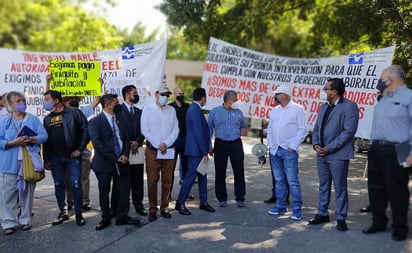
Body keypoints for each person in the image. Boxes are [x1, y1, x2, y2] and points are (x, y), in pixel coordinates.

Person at [362, 65, 412, 241]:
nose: (380, 81)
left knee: (397, 190)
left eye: (382, 78)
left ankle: (400, 228)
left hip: (398, 149)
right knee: (376, 189)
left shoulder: (409, 97)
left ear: (391, 79)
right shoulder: (383, 99)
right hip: (376, 148)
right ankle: (378, 222)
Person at [309, 78, 359, 232]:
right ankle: (322, 213)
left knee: (340, 187)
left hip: (338, 154)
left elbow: (348, 132)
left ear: (335, 91)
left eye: (327, 89)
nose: (325, 91)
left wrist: (329, 148)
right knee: (323, 185)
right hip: (321, 154)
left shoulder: (350, 107)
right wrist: (316, 144)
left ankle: (341, 217)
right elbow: (317, 127)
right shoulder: (324, 106)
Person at [46, 74, 102, 211]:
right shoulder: (57, 113)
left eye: (76, 99)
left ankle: (84, 201)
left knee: (83, 177)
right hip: (66, 151)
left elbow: (98, 100)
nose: (74, 101)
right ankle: (70, 201)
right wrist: (47, 82)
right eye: (71, 99)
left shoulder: (82, 111)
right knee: (67, 178)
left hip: (82, 150)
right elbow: (49, 99)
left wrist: (99, 85)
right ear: (63, 101)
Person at [89, 94, 140, 230]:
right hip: (104, 163)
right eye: (116, 102)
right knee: (104, 191)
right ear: (107, 105)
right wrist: (115, 158)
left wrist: (124, 154)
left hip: (122, 161)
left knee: (123, 190)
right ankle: (105, 217)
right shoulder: (95, 122)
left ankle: (122, 216)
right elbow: (98, 144)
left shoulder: (120, 120)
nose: (119, 104)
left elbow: (126, 139)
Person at [0, 91, 48, 235]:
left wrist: (31, 139)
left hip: (29, 163)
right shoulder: (5, 121)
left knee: (27, 192)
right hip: (9, 164)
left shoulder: (32, 119)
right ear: (9, 105)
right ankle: (8, 222)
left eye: (23, 101)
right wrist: (12, 142)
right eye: (17, 102)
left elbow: (44, 136)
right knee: (8, 194)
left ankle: (25, 220)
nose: (22, 104)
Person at [43, 90, 88, 226]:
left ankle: (79, 213)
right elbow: (45, 140)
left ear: (56, 100)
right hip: (55, 158)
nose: (45, 103)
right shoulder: (47, 119)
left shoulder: (74, 113)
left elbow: (85, 130)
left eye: (47, 99)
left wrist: (79, 149)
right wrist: (46, 159)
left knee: (75, 184)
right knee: (59, 185)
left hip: (72, 157)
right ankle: (63, 212)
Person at [266, 85, 307, 220]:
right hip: (275, 150)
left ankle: (296, 209)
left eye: (277, 94)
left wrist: (293, 146)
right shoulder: (275, 110)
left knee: (292, 181)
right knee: (279, 181)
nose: (276, 96)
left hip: (289, 151)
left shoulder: (297, 109)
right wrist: (272, 146)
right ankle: (280, 205)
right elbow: (270, 129)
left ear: (284, 95)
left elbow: (302, 130)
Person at [141, 85, 179, 222]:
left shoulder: (172, 110)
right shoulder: (148, 110)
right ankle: (152, 209)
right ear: (156, 94)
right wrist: (158, 144)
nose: (165, 97)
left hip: (168, 151)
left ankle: (164, 208)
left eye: (167, 95)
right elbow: (145, 130)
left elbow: (176, 130)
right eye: (163, 94)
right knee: (152, 181)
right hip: (152, 150)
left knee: (167, 181)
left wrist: (166, 144)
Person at [175, 88, 215, 215]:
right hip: (196, 151)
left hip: (198, 150)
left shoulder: (194, 109)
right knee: (190, 177)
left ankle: (203, 202)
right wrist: (204, 151)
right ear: (203, 97)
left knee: (202, 175)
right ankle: (180, 203)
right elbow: (198, 133)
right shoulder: (195, 110)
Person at [208, 90, 248, 207]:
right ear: (227, 100)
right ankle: (222, 198)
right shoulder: (215, 112)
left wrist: (243, 131)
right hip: (221, 143)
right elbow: (209, 130)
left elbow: (243, 126)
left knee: (239, 171)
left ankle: (240, 197)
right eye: (234, 100)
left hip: (236, 143)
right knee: (220, 171)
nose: (236, 102)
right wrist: (209, 146)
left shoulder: (239, 112)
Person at [117, 85, 147, 216]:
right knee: (124, 181)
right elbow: (118, 131)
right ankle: (123, 208)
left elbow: (144, 130)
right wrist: (129, 143)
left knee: (138, 180)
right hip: (124, 151)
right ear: (127, 94)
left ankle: (139, 206)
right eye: (134, 93)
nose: (136, 95)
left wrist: (138, 141)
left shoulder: (139, 112)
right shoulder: (118, 111)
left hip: (138, 150)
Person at [168, 87, 192, 199]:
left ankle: (185, 193)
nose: (181, 95)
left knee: (186, 167)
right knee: (170, 167)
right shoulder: (169, 108)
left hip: (186, 139)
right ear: (174, 94)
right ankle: (168, 193)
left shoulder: (188, 107)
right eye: (179, 93)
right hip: (174, 140)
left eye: (182, 93)